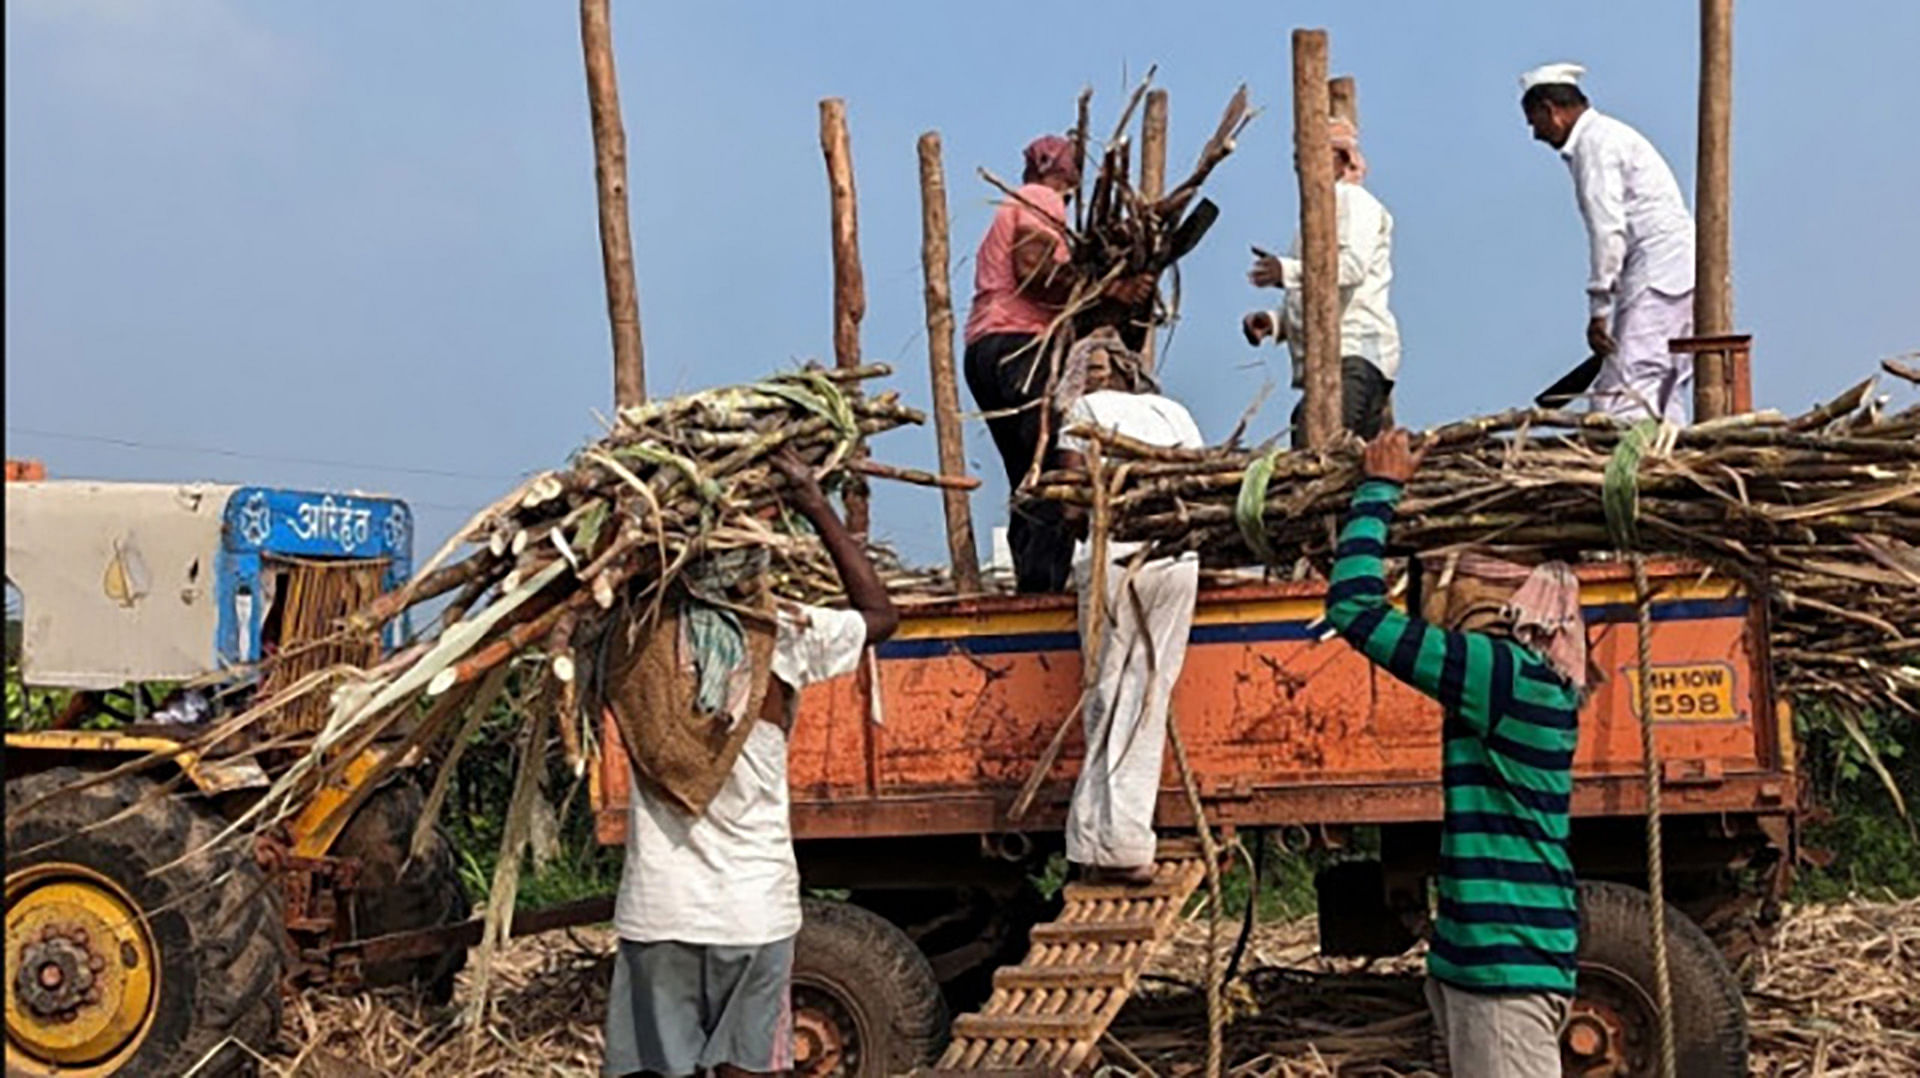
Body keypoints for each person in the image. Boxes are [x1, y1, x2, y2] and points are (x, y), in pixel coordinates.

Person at [601, 450, 899, 1078]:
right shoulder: (781, 636)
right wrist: (816, 504)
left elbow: (598, 583)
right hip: (754, 910)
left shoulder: (632, 639)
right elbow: (881, 615)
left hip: (660, 912)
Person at [1324, 429, 1589, 1077]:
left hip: (1504, 970)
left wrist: (1378, 491)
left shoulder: (1499, 673)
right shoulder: (1530, 679)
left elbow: (1353, 609)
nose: (1433, 600)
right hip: (1484, 963)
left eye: (1445, 581)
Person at [964, 134, 1154, 593]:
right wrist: (1107, 289)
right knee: (1054, 467)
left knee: (1027, 473)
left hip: (987, 346)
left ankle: (1033, 579)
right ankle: (1041, 587)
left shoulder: (1019, 203)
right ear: (1067, 174)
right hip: (1018, 344)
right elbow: (1034, 269)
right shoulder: (1039, 199)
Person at [1052, 332, 1204, 884]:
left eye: (1090, 369)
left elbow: (1072, 490)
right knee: (1146, 692)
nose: (1089, 379)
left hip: (1114, 556)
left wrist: (1068, 524)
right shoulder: (1175, 413)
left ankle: (1113, 844)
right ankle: (1100, 840)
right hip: (1176, 557)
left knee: (1107, 692)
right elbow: (1200, 480)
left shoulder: (1085, 409)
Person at [1522, 61, 1696, 425]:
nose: (1533, 132)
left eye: (1533, 119)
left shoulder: (1596, 146)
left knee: (1625, 393)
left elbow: (1608, 231)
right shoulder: (1609, 136)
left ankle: (1633, 471)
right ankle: (1666, 457)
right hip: (1675, 271)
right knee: (1661, 382)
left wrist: (1599, 309)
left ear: (1550, 111)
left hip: (1657, 269)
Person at [1243, 116, 1402, 446]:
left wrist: (1286, 272)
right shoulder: (1317, 216)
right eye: (1298, 158)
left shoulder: (1353, 202)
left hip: (1353, 356)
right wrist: (1276, 323)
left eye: (1312, 154)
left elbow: (1350, 269)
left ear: (1341, 160)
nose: (1302, 165)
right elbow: (1317, 298)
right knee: (1317, 439)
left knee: (1317, 444)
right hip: (1333, 364)